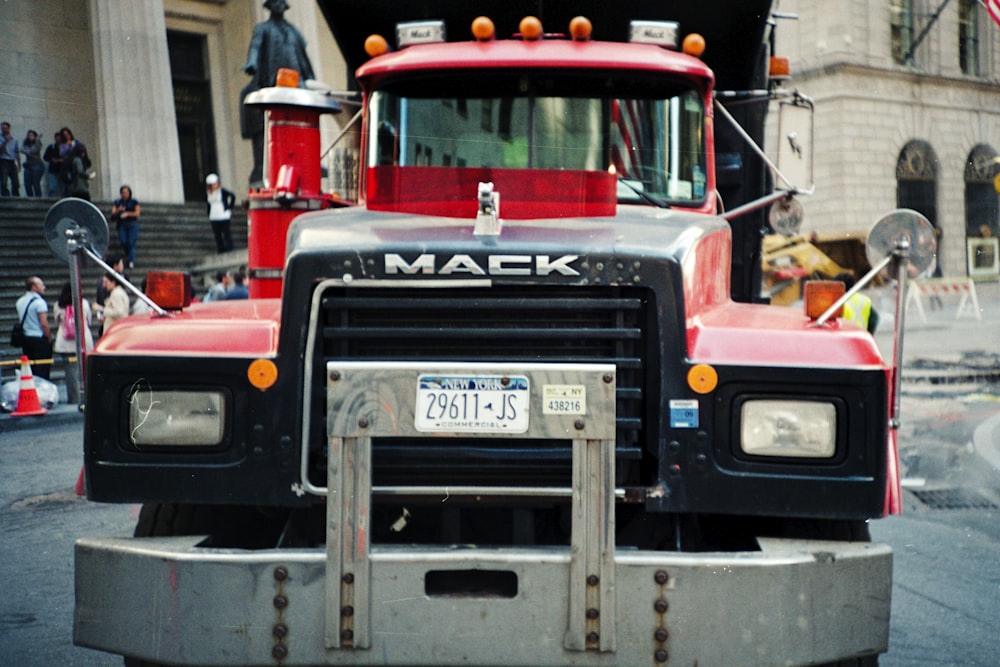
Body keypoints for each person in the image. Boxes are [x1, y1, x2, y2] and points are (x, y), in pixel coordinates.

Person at [241, 0, 315, 185]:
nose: (279, 5)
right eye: (276, 2)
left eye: (282, 2)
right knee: (266, 121)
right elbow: (255, 47)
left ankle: (308, 158)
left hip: (295, 80)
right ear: (270, 6)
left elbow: (302, 55)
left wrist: (309, 78)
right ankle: (262, 167)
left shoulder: (292, 30)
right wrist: (252, 63)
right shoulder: (263, 28)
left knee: (304, 117)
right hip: (273, 79)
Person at [53, 281, 94, 405]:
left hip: (65, 343)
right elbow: (88, 320)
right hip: (83, 341)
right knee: (84, 370)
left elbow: (57, 321)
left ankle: (74, 398)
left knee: (70, 373)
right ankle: (86, 397)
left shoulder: (58, 305)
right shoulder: (84, 303)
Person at [15, 276, 52, 379]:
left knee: (30, 367)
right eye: (41, 285)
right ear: (34, 287)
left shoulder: (20, 301)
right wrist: (49, 337)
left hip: (26, 338)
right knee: (42, 369)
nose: (44, 287)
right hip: (38, 338)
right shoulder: (39, 303)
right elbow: (44, 323)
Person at [111, 185, 141, 268]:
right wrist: (119, 210)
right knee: (123, 241)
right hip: (122, 224)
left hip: (132, 224)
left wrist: (128, 214)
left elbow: (137, 213)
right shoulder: (118, 202)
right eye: (123, 192)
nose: (125, 194)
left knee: (131, 242)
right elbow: (113, 212)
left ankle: (131, 260)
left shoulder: (134, 202)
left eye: (127, 192)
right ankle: (129, 254)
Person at [205, 174, 237, 252]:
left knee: (226, 233)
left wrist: (230, 207)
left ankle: (230, 248)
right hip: (214, 216)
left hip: (223, 215)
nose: (215, 185)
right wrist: (208, 213)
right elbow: (209, 204)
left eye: (216, 183)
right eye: (213, 184)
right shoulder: (209, 193)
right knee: (217, 234)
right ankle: (221, 249)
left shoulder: (222, 191)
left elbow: (232, 196)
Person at [19, 129, 44, 197]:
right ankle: (30, 199)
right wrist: (31, 154)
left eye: (32, 135)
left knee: (36, 184)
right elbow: (21, 149)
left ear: (35, 136)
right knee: (27, 184)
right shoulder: (25, 143)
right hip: (28, 166)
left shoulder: (38, 143)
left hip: (37, 165)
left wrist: (37, 140)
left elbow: (33, 150)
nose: (30, 137)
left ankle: (39, 200)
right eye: (29, 135)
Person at [0, 121, 21, 197]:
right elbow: (1, 151)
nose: (4, 130)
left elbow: (17, 152)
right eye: (2, 128)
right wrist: (5, 141)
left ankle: (16, 196)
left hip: (12, 161)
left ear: (9, 128)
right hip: (3, 161)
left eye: (5, 128)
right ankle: (6, 196)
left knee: (16, 182)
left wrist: (19, 164)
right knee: (4, 181)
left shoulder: (15, 139)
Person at [43, 131, 64, 197]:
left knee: (64, 189)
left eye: (59, 138)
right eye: (57, 138)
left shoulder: (65, 147)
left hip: (63, 170)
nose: (58, 140)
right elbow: (45, 157)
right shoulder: (51, 147)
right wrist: (52, 159)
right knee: (52, 188)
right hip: (53, 170)